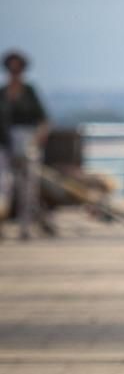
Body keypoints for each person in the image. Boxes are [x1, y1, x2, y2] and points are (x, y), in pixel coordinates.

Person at [1, 50, 52, 239]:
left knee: (28, 188)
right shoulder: (2, 93)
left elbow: (44, 120)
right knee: (4, 185)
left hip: (28, 142)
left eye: (18, 69)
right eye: (11, 69)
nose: (15, 73)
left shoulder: (30, 91)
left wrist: (35, 141)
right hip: (4, 144)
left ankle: (25, 227)